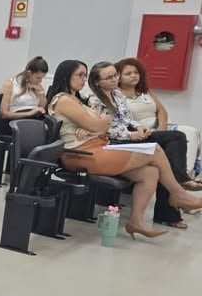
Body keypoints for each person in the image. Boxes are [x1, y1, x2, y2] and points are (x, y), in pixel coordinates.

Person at [45, 60, 202, 239]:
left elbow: (100, 124)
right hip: (81, 153)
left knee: (150, 172)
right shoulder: (63, 99)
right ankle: (178, 194)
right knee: (156, 150)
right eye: (79, 75)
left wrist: (98, 124)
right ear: (66, 76)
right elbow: (99, 124)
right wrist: (99, 123)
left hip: (98, 146)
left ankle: (136, 221)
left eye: (84, 75)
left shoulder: (77, 99)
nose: (83, 79)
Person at [84, 61, 200, 229]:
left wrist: (139, 127)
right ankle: (178, 189)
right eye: (109, 78)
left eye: (115, 76)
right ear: (97, 82)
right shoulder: (94, 100)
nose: (114, 79)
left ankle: (176, 193)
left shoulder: (117, 93)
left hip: (132, 134)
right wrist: (131, 134)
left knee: (176, 140)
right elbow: (103, 129)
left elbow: (127, 118)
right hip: (115, 141)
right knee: (174, 140)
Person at [118, 57, 202, 181]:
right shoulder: (116, 95)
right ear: (118, 77)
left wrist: (162, 127)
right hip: (141, 131)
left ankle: (188, 173)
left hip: (158, 127)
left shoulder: (145, 91)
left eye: (136, 72)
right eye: (128, 73)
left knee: (191, 131)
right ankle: (182, 179)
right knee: (178, 136)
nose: (133, 76)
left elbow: (161, 111)